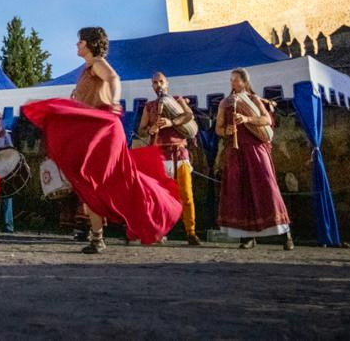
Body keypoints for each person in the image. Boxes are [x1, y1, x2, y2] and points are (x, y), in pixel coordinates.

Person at [23, 27, 182, 254]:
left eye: (80, 41)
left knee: (117, 180)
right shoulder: (86, 70)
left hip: (103, 129)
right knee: (90, 184)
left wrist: (114, 102)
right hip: (93, 129)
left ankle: (158, 212)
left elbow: (113, 78)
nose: (77, 45)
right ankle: (97, 238)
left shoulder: (97, 62)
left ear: (89, 44)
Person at [216, 68, 293, 250]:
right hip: (235, 152)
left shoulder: (253, 99)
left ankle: (285, 234)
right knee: (240, 191)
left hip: (256, 149)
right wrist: (225, 131)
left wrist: (246, 118)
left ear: (244, 81)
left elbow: (267, 119)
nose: (232, 83)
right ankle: (247, 237)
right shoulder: (224, 103)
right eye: (231, 80)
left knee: (267, 187)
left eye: (235, 80)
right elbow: (218, 128)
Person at [138, 72, 202, 246]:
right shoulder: (149, 106)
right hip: (158, 155)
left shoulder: (177, 100)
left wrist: (171, 122)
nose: (158, 85)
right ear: (152, 86)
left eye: (161, 82)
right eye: (155, 83)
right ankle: (160, 230)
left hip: (179, 153)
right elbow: (141, 129)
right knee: (159, 197)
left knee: (186, 195)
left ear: (167, 83)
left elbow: (189, 116)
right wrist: (150, 129)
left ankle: (191, 232)